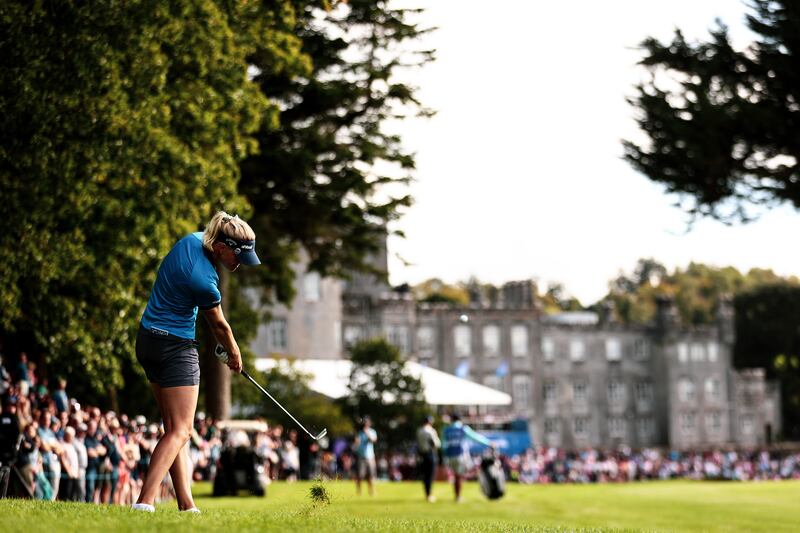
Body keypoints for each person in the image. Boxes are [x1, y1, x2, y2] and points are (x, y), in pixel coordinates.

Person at [132, 212, 260, 513]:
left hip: (147, 340)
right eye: (238, 256)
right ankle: (144, 502)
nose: (240, 263)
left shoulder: (190, 240)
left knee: (174, 428)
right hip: (174, 347)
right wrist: (235, 354)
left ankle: (186, 504)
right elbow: (219, 326)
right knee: (182, 431)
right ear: (220, 247)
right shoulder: (204, 280)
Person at [442, 413, 493, 503]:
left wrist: (445, 456)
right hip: (460, 456)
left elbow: (444, 445)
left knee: (456, 476)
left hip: (450, 456)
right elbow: (476, 437)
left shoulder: (446, 430)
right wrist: (488, 443)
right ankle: (458, 497)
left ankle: (457, 496)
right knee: (459, 476)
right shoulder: (463, 429)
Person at [416, 415, 441, 502]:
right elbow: (437, 444)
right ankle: (429, 495)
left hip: (422, 454)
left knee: (425, 475)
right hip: (430, 454)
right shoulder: (431, 431)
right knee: (430, 475)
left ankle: (427, 494)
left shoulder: (419, 430)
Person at [354, 416, 377, 496]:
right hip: (361, 457)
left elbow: (373, 440)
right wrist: (356, 441)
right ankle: (359, 491)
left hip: (370, 457)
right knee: (360, 475)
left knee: (371, 475)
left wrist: (367, 433)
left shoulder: (372, 431)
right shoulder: (359, 433)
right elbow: (356, 444)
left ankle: (372, 491)